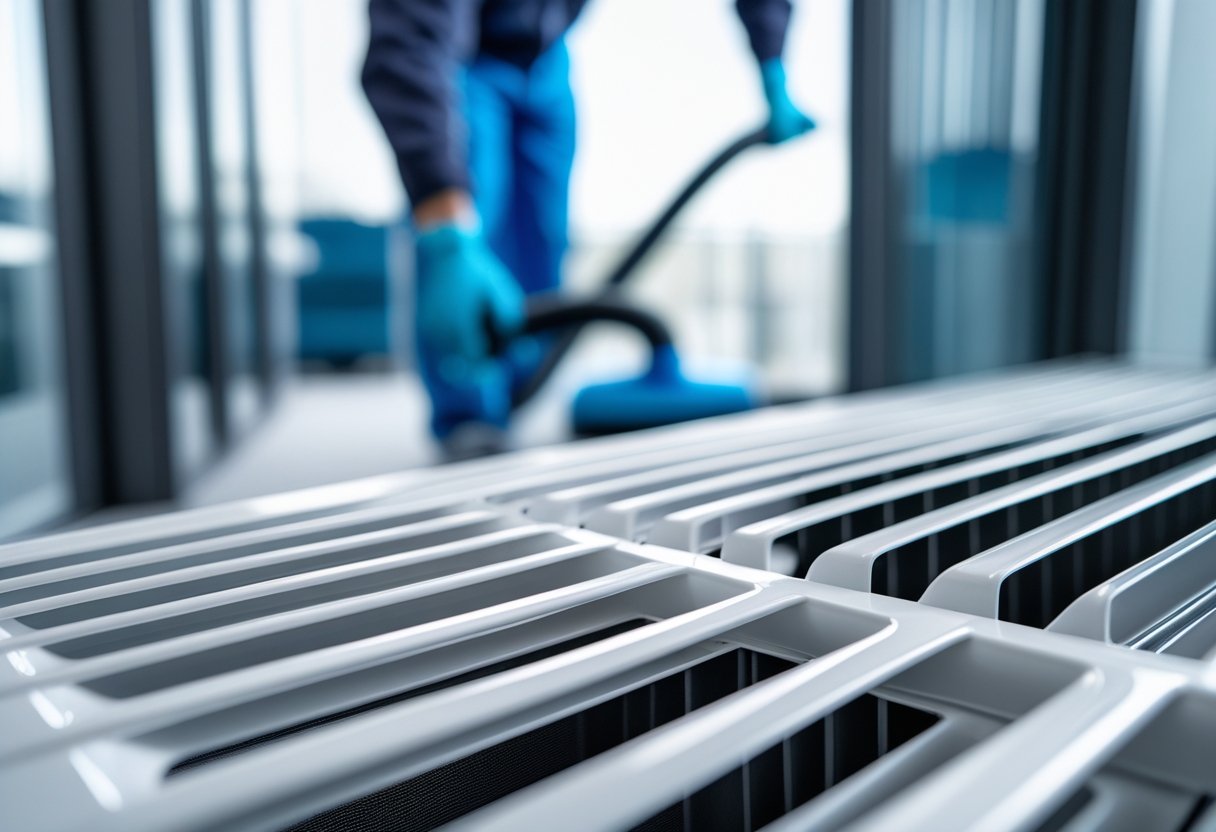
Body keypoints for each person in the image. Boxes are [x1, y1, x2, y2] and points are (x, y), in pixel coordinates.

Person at [362, 0, 815, 454]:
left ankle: (516, 396)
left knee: (543, 240)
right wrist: (447, 233)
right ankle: (469, 420)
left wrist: (772, 60)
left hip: (546, 59)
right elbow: (408, 42)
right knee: (470, 219)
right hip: (463, 56)